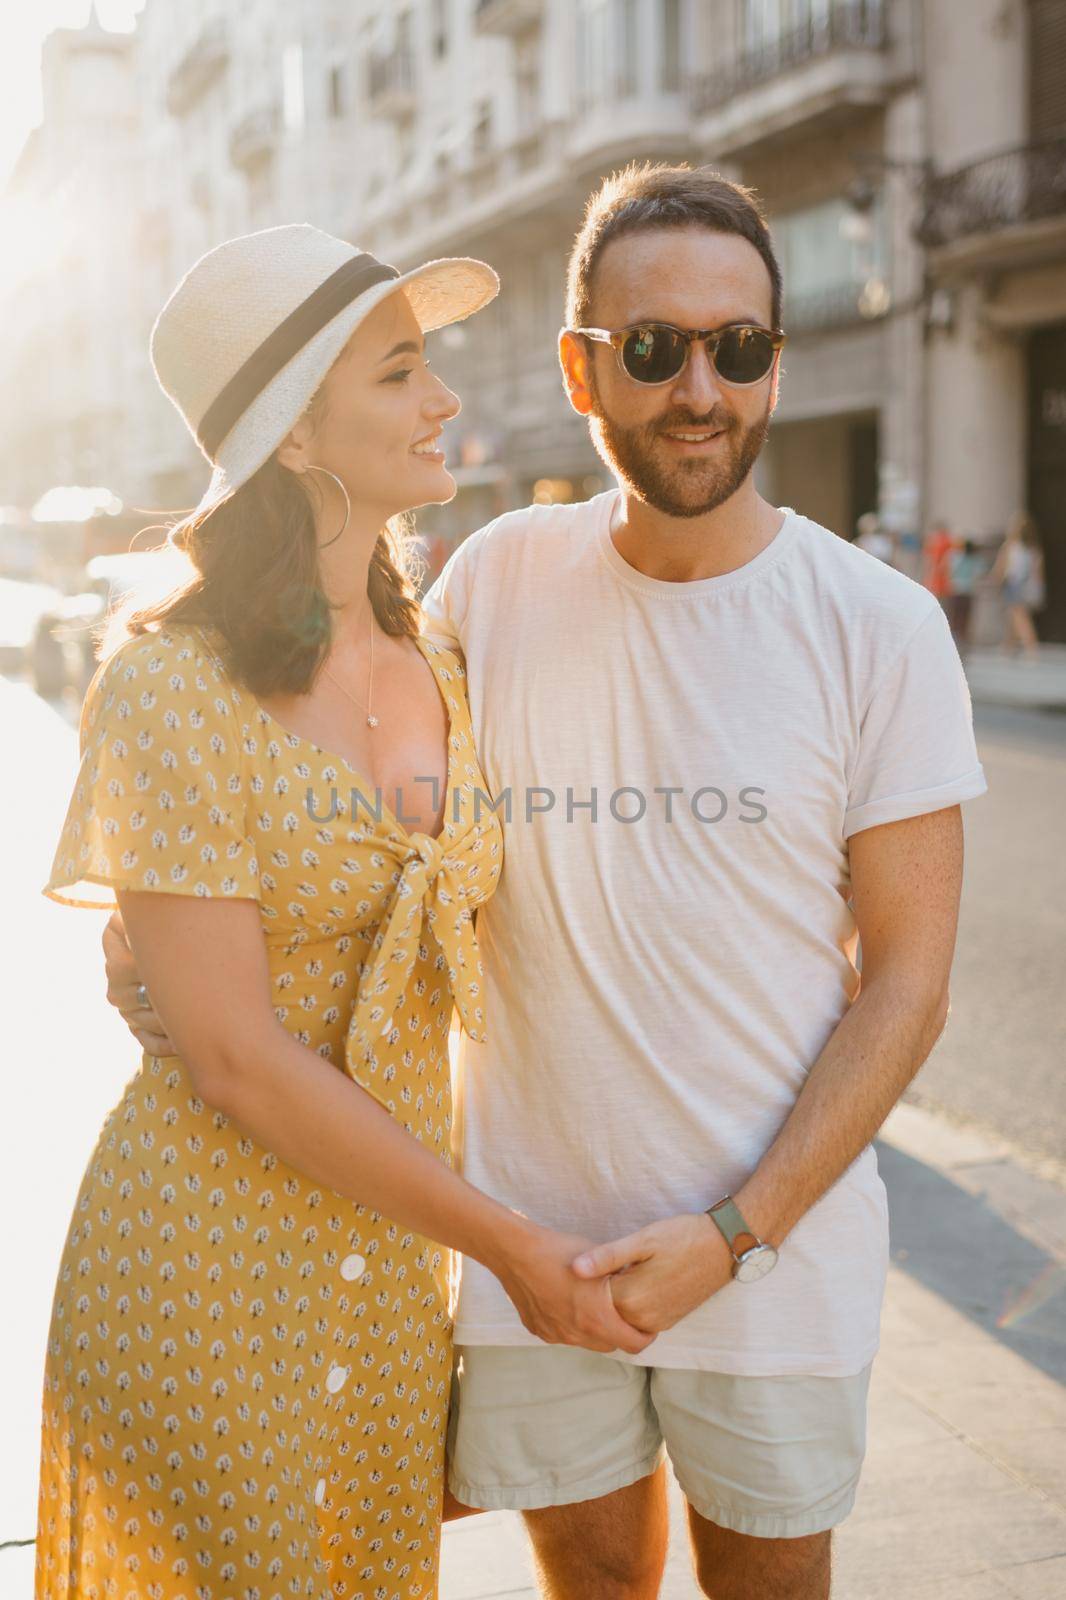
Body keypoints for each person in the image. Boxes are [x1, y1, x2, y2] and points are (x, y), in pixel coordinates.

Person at [105, 166, 988, 1600]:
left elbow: (909, 984)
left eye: (740, 348)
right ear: (583, 368)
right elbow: (326, 789)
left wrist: (732, 1236)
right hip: (527, 1261)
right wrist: (160, 927)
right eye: (653, 350)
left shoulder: (879, 629)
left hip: (769, 1267)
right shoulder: (490, 583)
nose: (700, 388)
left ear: (775, 358)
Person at [35, 224, 653, 1600]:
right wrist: (507, 1245)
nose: (442, 401)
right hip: (202, 1254)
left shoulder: (440, 647)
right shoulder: (168, 690)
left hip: (385, 1265)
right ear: (294, 433)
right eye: (398, 373)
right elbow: (237, 1058)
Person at [986, 511, 1044, 660]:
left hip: (1013, 585)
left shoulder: (1010, 546)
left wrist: (994, 580)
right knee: (1013, 615)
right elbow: (1037, 571)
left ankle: (1031, 647)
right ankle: (1008, 646)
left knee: (1019, 616)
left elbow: (1001, 567)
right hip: (1025, 586)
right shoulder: (1032, 548)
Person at [945, 536, 984, 656]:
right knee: (965, 617)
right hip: (969, 591)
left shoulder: (955, 557)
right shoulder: (976, 560)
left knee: (954, 616)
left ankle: (954, 640)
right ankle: (964, 639)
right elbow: (980, 574)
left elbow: (949, 570)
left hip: (956, 589)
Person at [922, 516, 957, 609]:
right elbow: (929, 558)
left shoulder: (946, 540)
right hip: (936, 574)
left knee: (941, 598)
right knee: (935, 596)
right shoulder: (933, 541)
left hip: (942, 574)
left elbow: (949, 556)